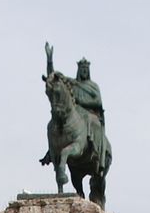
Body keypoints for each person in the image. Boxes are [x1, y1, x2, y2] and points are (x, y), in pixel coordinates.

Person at [44, 43, 108, 175]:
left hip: (89, 112)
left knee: (92, 121)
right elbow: (53, 78)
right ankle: (51, 151)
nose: (84, 71)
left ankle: (95, 149)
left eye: (86, 69)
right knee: (54, 123)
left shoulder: (93, 86)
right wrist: (49, 61)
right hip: (74, 110)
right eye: (82, 69)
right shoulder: (72, 83)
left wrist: (81, 101)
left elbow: (97, 101)